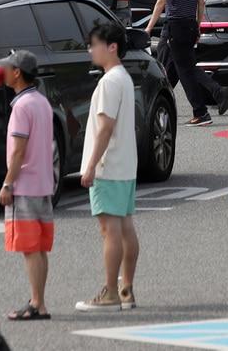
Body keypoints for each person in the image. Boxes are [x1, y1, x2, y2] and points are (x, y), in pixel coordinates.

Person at [76, 22, 140, 312]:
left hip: (108, 164)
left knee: (109, 230)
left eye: (94, 44)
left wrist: (90, 166)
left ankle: (111, 292)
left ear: (111, 47)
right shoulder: (123, 78)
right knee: (125, 227)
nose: (91, 50)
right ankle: (126, 288)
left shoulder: (109, 82)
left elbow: (105, 128)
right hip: (125, 164)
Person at [145, 0, 228, 126]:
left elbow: (161, 1)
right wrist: (198, 25)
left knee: (185, 70)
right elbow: (201, 1)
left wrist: (149, 28)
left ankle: (202, 111)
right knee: (182, 66)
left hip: (176, 25)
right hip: (190, 24)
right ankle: (209, 96)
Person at [0, 50, 56, 321]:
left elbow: (18, 151)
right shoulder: (41, 102)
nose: (3, 72)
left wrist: (8, 184)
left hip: (25, 185)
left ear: (18, 72)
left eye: (7, 68)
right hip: (44, 183)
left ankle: (37, 304)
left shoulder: (21, 107)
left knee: (30, 249)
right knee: (39, 249)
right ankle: (39, 301)